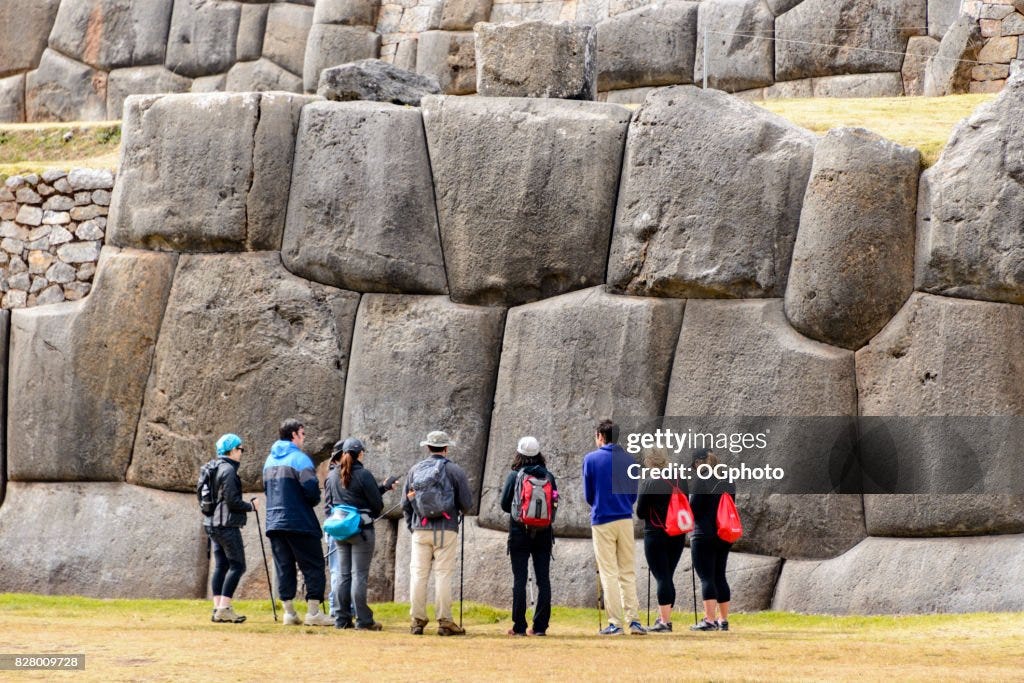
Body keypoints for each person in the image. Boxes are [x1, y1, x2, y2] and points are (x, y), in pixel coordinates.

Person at [402, 430, 474, 636]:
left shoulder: (415, 470)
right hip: (446, 529)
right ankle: (445, 621)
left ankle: (417, 620)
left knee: (418, 574)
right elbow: (467, 504)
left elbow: (404, 503)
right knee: (443, 574)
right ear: (446, 448)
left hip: (420, 529)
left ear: (427, 447)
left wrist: (412, 525)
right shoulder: (454, 471)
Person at [263, 418, 333, 626]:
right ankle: (313, 612)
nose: (303, 438)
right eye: (302, 434)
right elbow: (311, 490)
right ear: (294, 434)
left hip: (274, 522)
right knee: (313, 565)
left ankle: (289, 613)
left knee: (284, 566)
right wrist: (313, 500)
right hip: (299, 521)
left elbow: (268, 490)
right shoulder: (300, 459)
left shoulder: (269, 461)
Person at [323, 437, 398, 631]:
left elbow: (331, 503)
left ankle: (341, 618)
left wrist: (382, 487)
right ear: (361, 454)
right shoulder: (364, 475)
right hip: (361, 531)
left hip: (340, 531)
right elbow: (376, 504)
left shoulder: (332, 476)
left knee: (342, 574)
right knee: (359, 576)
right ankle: (363, 620)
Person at [583, 419, 646, 636]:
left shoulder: (590, 459)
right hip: (625, 518)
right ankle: (634, 621)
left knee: (609, 572)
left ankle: (615, 623)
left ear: (601, 436)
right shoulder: (630, 461)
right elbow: (632, 494)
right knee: (627, 571)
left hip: (602, 519)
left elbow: (589, 495)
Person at [499, 436, 558, 637]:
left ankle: (519, 626)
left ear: (519, 453)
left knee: (520, 579)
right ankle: (540, 627)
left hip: (519, 532)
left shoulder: (514, 476)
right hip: (543, 534)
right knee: (543, 580)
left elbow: (505, 504)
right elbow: (554, 505)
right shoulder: (548, 477)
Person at [635, 447, 688, 632]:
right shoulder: (680, 480)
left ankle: (664, 622)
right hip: (678, 534)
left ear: (649, 461)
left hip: (656, 534)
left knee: (662, 577)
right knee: (668, 576)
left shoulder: (649, 482)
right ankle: (665, 617)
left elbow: (640, 513)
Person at [205, 433, 255, 623]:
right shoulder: (228, 471)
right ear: (232, 450)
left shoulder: (212, 467)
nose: (241, 453)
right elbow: (232, 501)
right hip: (226, 525)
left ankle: (217, 607)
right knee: (238, 565)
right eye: (240, 449)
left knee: (221, 565)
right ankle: (224, 608)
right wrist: (251, 506)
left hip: (211, 524)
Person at [689, 448, 736, 632]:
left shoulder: (702, 479)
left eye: (694, 465)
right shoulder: (728, 478)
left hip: (703, 534)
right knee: (720, 576)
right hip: (724, 534)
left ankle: (708, 620)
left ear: (699, 462)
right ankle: (723, 620)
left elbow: (694, 508)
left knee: (706, 577)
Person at [324, 447, 343, 620]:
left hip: (331, 525)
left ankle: (336, 607)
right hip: (340, 525)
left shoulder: (330, 476)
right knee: (338, 570)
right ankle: (337, 607)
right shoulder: (337, 476)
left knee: (337, 570)